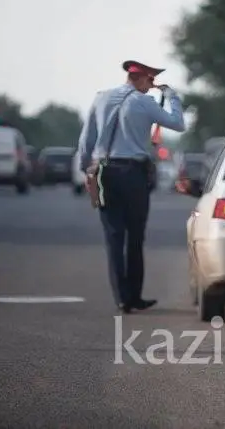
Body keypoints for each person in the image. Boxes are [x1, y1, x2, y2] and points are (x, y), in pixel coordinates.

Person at [77, 60, 186, 314]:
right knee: (135, 236)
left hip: (105, 171)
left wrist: (87, 170)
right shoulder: (145, 102)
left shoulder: (101, 98)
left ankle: (122, 298)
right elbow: (178, 124)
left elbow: (86, 140)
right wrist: (171, 96)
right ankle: (134, 295)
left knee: (114, 236)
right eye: (151, 82)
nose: (152, 87)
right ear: (142, 78)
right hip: (134, 173)